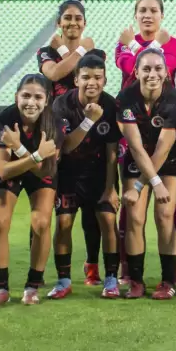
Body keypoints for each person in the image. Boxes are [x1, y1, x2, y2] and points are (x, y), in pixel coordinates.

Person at [115, 0, 176, 284]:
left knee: (168, 209)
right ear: (136, 14)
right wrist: (146, 46)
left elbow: (163, 67)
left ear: (161, 15)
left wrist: (135, 45)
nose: (147, 15)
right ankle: (128, 267)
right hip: (133, 131)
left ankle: (173, 267)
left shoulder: (175, 44)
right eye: (142, 10)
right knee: (132, 212)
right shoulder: (125, 46)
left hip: (164, 131)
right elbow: (129, 68)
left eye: (153, 10)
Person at [37, 0, 105, 283]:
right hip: (56, 129)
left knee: (92, 210)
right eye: (67, 18)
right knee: (49, 206)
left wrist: (67, 49)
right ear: (58, 22)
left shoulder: (95, 51)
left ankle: (91, 265)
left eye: (78, 18)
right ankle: (41, 270)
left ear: (84, 22)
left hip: (89, 124)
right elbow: (53, 73)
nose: (73, 22)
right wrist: (78, 50)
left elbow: (86, 76)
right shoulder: (46, 52)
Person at [0, 74, 64, 307]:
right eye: (26, 96)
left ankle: (33, 286)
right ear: (16, 97)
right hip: (12, 170)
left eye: (38, 97)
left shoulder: (55, 124)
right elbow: (4, 171)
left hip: (38, 170)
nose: (31, 102)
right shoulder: (3, 121)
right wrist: (36, 155)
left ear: (47, 100)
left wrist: (19, 148)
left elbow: (45, 173)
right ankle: (1, 289)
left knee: (41, 223)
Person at [49, 55, 122, 299]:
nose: (92, 82)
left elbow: (113, 151)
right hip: (69, 173)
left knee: (108, 220)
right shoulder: (61, 105)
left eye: (97, 77)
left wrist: (111, 188)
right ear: (76, 78)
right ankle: (63, 280)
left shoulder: (111, 105)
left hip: (100, 172)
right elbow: (66, 146)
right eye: (86, 77)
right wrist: (89, 121)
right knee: (63, 224)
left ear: (105, 80)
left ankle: (111, 278)